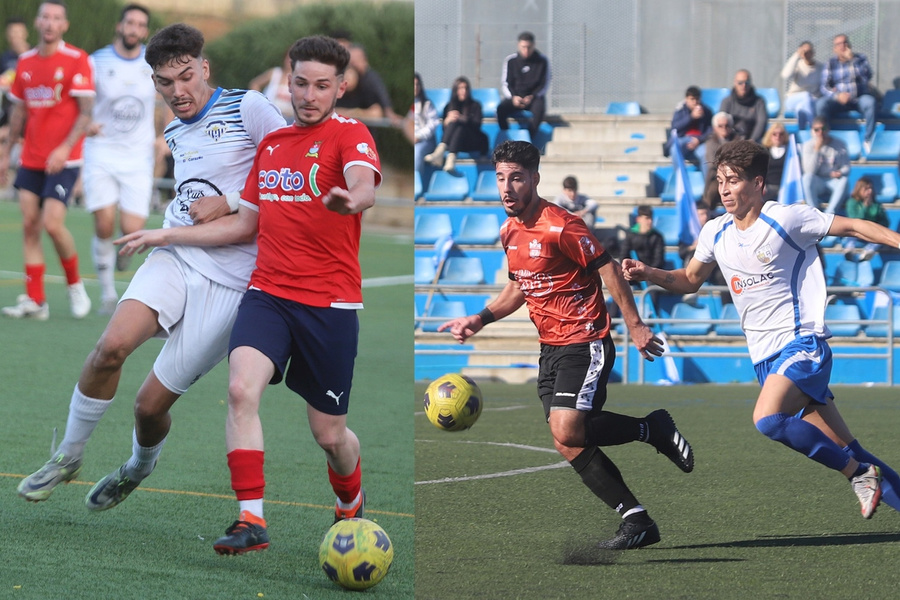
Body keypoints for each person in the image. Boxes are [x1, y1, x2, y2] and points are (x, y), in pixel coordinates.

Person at [116, 34, 381, 555]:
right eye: (300, 82)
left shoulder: (350, 133)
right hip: (267, 294)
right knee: (240, 391)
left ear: (340, 88)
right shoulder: (273, 147)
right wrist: (163, 234)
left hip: (329, 303)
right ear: (289, 79)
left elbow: (363, 183)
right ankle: (250, 519)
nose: (308, 95)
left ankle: (350, 498)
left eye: (321, 86)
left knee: (331, 437)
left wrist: (353, 200)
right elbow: (243, 228)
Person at [16, 24, 285, 519]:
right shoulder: (173, 129)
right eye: (165, 82)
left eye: (186, 76)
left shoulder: (248, 107)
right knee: (110, 348)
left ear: (204, 68)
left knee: (149, 407)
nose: (178, 91)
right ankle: (69, 456)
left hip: (232, 282)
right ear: (154, 83)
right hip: (177, 254)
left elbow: (288, 173)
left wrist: (227, 201)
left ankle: (139, 467)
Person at [623, 139, 900, 520]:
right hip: (765, 360)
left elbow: (853, 226)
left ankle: (857, 477)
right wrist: (648, 272)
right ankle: (863, 471)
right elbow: (689, 279)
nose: (723, 188)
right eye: (720, 180)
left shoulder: (786, 218)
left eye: (733, 180)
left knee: (768, 420)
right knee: (849, 447)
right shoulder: (715, 232)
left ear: (758, 184)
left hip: (803, 344)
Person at [437, 140, 693, 551]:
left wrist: (637, 326)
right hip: (550, 350)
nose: (507, 187)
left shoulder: (561, 225)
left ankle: (653, 429)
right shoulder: (509, 231)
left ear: (535, 179)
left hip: (585, 340)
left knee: (566, 427)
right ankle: (636, 519)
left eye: (516, 178)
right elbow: (520, 285)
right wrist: (479, 319)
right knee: (566, 441)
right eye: (501, 178)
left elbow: (608, 268)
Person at [0, 0, 93, 321]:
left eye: (56, 18)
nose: (50, 23)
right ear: (36, 23)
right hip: (31, 158)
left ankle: (74, 283)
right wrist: (5, 154)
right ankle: (36, 301)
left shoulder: (76, 59)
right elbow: (18, 111)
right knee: (29, 225)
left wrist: (65, 148)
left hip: (64, 160)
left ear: (64, 25)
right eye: (45, 17)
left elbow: (86, 113)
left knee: (52, 224)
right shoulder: (24, 62)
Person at [82, 3, 161, 314]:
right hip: (100, 150)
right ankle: (106, 294)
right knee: (103, 223)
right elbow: (83, 103)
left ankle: (121, 257)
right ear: (120, 26)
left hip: (137, 155)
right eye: (130, 22)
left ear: (145, 31)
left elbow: (163, 101)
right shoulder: (96, 61)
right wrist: (86, 123)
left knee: (131, 229)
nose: (134, 29)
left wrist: (162, 136)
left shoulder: (152, 62)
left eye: (141, 25)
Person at [816, 34, 876, 150]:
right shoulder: (830, 63)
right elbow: (824, 87)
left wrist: (852, 61)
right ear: (834, 48)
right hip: (839, 101)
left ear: (849, 45)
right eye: (839, 44)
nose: (842, 46)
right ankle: (824, 137)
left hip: (858, 98)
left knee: (870, 102)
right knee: (820, 104)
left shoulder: (860, 59)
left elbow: (866, 78)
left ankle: (868, 139)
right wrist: (837, 96)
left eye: (845, 42)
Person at [424, 75, 486, 172]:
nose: (464, 91)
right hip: (456, 143)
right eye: (460, 88)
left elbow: (477, 126)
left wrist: (462, 119)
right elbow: (446, 132)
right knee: (453, 121)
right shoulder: (449, 106)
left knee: (459, 124)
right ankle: (448, 157)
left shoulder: (475, 105)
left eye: (466, 88)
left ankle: (441, 152)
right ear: (455, 90)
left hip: (472, 141)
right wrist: (446, 122)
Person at [496, 31, 550, 138]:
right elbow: (506, 83)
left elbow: (545, 83)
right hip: (515, 97)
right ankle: (507, 137)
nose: (526, 50)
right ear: (518, 45)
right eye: (523, 47)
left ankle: (528, 138)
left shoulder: (542, 61)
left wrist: (532, 96)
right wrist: (513, 97)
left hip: (533, 98)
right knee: (500, 109)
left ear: (533, 45)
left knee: (540, 109)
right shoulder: (511, 61)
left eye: (529, 47)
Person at [335, 43, 402, 127]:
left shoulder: (370, 80)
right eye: (351, 61)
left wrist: (389, 113)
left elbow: (381, 99)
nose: (353, 63)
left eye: (356, 60)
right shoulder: (339, 85)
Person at [0, 17, 30, 190]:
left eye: (19, 32)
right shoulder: (5, 59)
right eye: (12, 32)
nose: (16, 36)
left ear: (25, 33)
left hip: (29, 120)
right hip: (9, 116)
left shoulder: (34, 56)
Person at [801, 116, 849, 214]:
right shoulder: (808, 146)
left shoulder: (840, 144)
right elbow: (810, 171)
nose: (820, 132)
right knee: (807, 178)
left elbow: (847, 167)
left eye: (823, 129)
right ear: (812, 131)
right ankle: (814, 213)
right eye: (816, 130)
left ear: (828, 129)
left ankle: (830, 213)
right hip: (818, 180)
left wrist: (840, 172)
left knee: (844, 181)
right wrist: (817, 150)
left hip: (833, 180)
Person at [842, 176, 888, 261]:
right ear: (859, 189)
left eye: (871, 188)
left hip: (872, 231)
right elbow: (854, 219)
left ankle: (868, 252)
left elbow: (885, 222)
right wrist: (864, 207)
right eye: (866, 189)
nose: (869, 191)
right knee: (850, 233)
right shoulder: (852, 202)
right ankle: (849, 250)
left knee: (881, 237)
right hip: (857, 231)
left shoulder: (876, 205)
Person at [780, 41, 823, 131]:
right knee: (806, 95)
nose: (807, 54)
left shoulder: (820, 67)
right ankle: (813, 128)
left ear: (813, 52)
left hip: (812, 101)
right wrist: (796, 55)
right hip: (793, 99)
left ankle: (801, 133)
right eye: (804, 51)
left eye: (809, 51)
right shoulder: (797, 65)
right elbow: (785, 75)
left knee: (801, 109)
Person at [664, 85, 712, 164]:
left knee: (705, 154)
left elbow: (710, 130)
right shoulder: (680, 110)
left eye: (697, 99)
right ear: (686, 99)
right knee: (675, 149)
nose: (695, 102)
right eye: (692, 99)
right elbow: (675, 128)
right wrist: (691, 117)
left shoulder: (706, 111)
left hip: (699, 141)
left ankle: (707, 176)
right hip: (682, 139)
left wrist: (699, 140)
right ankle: (679, 175)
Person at [719, 69, 767, 143]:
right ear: (735, 83)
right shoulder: (727, 102)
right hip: (730, 141)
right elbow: (721, 123)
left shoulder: (759, 102)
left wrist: (752, 141)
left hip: (753, 140)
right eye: (740, 83)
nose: (744, 86)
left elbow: (761, 123)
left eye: (746, 82)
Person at [248, 50, 294, 123]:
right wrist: (260, 102)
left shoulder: (299, 79)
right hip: (269, 116)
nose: (289, 61)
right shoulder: (275, 73)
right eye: (288, 58)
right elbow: (255, 84)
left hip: (289, 120)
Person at [619, 205, 665, 270]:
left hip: (651, 274)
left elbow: (659, 260)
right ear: (638, 219)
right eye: (647, 218)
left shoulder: (657, 237)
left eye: (651, 218)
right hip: (634, 273)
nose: (650, 221)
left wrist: (648, 272)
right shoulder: (630, 236)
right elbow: (623, 256)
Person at [696, 111, 735, 184]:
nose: (724, 128)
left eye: (727, 125)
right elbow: (711, 164)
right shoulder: (710, 143)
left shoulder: (738, 141)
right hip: (716, 179)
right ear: (715, 128)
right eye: (720, 126)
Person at [413, 72, 439, 174]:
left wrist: (418, 136)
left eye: (417, 84)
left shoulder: (427, 104)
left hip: (425, 141)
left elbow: (432, 124)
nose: (415, 87)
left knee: (417, 152)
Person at [761, 123, 789, 202]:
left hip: (785, 187)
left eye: (781, 134)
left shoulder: (790, 151)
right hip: (768, 187)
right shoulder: (764, 151)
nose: (778, 137)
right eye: (774, 134)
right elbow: (760, 170)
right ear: (770, 136)